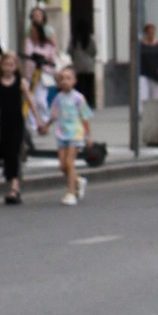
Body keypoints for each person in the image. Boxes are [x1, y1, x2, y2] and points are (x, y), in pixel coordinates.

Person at [47, 57, 92, 205]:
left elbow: (85, 117)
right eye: (61, 79)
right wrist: (45, 126)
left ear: (74, 81)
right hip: (61, 133)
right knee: (62, 165)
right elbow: (53, 115)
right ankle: (78, 180)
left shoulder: (78, 98)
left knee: (69, 162)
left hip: (75, 133)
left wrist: (88, 136)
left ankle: (71, 193)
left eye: (68, 78)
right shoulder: (57, 98)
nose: (65, 81)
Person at [0, 46, 30, 203]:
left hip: (17, 121)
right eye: (5, 64)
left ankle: (14, 188)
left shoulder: (20, 82)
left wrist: (39, 121)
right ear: (1, 66)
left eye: (11, 65)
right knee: (5, 152)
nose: (8, 68)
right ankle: (12, 183)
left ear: (16, 67)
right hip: (3, 121)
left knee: (13, 152)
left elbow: (31, 101)